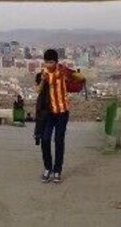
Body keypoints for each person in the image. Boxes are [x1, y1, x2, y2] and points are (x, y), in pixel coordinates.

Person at [37, 49, 83, 184]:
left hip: (62, 112)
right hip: (49, 113)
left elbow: (80, 77)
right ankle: (47, 168)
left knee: (58, 140)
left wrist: (70, 74)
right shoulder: (42, 74)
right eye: (46, 62)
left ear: (56, 62)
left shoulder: (63, 72)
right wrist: (43, 81)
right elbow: (38, 90)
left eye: (51, 62)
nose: (48, 65)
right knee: (45, 139)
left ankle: (57, 170)